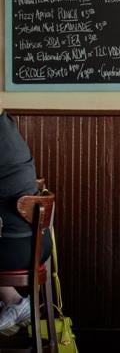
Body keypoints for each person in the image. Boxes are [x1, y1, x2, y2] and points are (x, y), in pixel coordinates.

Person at [0, 108, 52, 335]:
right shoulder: (8, 133)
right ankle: (13, 302)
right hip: (39, 245)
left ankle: (12, 302)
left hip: (15, 250)